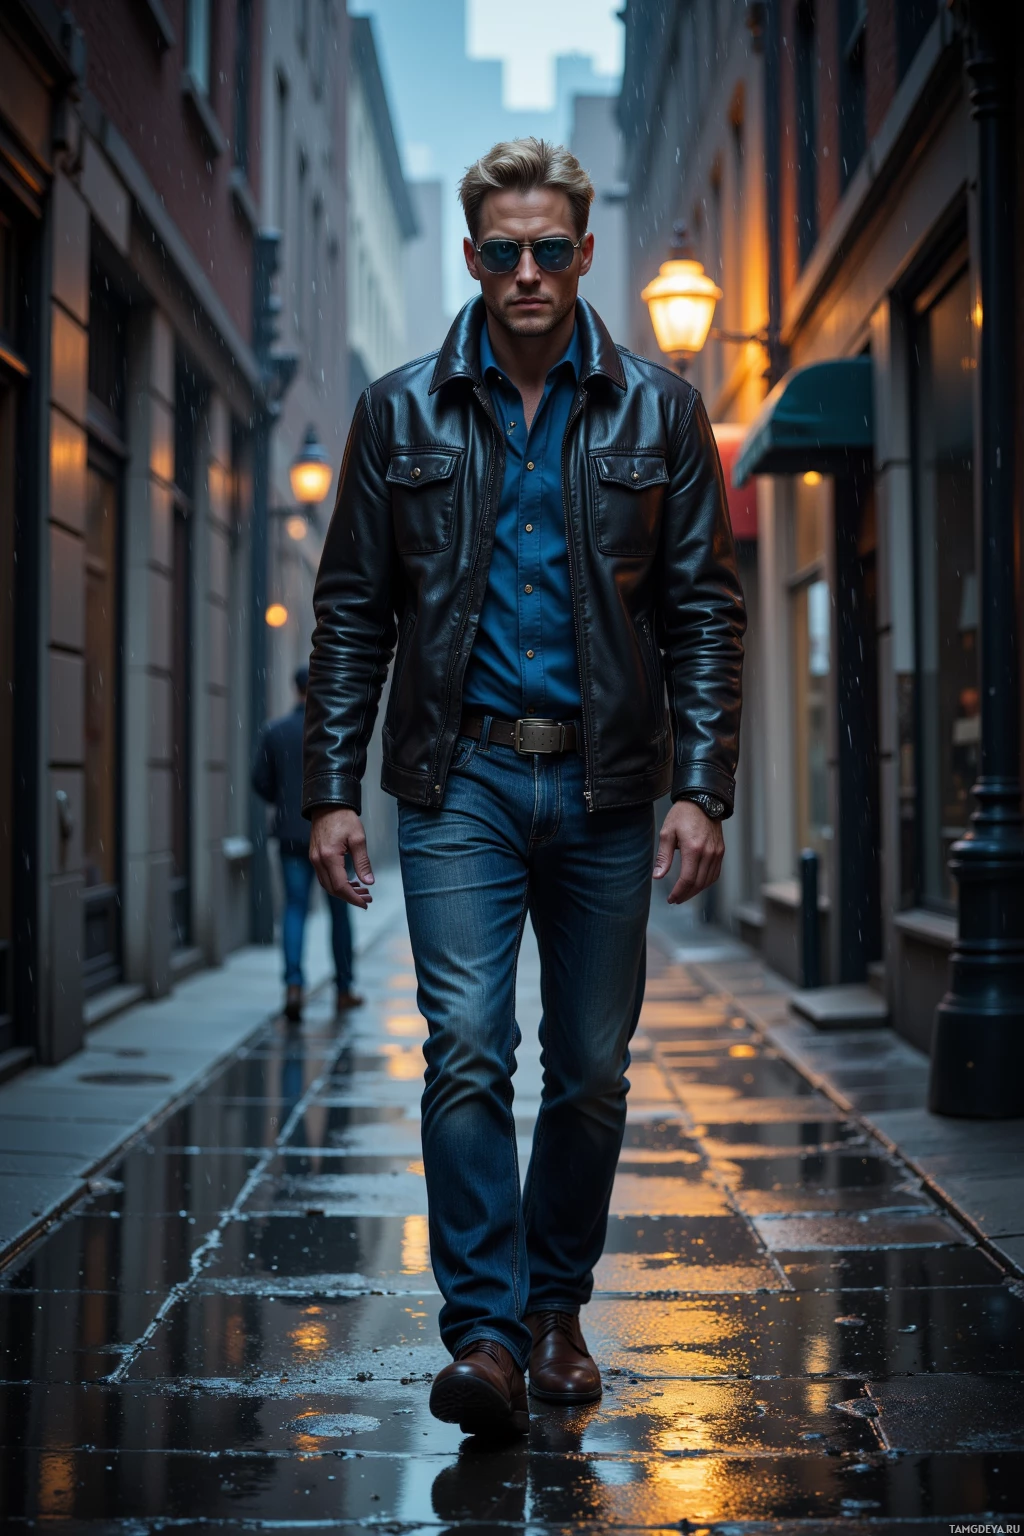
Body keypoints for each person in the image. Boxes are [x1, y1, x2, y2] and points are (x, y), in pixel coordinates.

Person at [302, 138, 745, 1436]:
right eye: (504, 252)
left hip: (612, 789)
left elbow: (705, 614)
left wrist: (702, 785)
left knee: (593, 1070)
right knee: (466, 1052)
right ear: (473, 258)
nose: (530, 273)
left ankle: (557, 1311)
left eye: (552, 249)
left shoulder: (660, 411)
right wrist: (333, 790)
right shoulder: (400, 413)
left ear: (588, 255)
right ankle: (487, 1337)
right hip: (460, 783)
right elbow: (349, 617)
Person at [252, 665, 362, 1022]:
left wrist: (286, 801)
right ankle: (344, 989)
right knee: (339, 911)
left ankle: (294, 985)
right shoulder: (333, 732)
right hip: (331, 836)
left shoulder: (276, 732)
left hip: (290, 836)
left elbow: (260, 783)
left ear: (295, 689)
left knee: (295, 909)